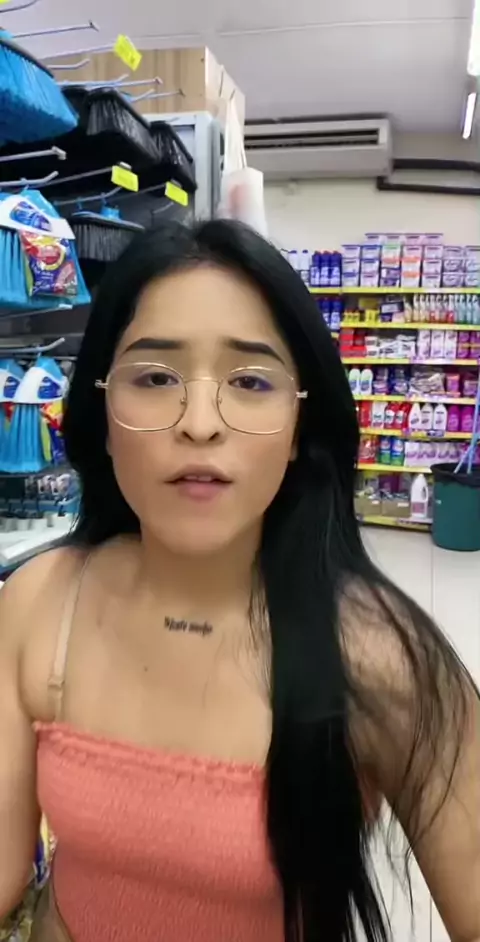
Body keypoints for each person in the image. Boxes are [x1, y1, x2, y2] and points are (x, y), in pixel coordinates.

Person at [0, 220, 478, 942]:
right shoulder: (40, 602)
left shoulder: (384, 658)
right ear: (101, 416)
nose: (199, 424)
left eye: (250, 381)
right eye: (156, 378)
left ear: (298, 426)